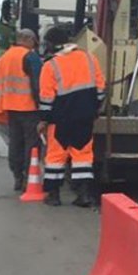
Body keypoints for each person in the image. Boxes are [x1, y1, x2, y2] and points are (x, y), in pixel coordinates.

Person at [37, 25, 106, 207]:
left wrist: (43, 120)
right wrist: (95, 109)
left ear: (52, 45)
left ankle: (53, 195)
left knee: (55, 158)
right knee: (83, 156)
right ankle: (83, 195)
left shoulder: (50, 66)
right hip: (85, 118)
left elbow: (46, 98)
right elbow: (101, 90)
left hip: (59, 120)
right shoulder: (90, 59)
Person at [0, 29, 42, 192]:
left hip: (9, 106)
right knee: (31, 144)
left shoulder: (4, 57)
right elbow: (38, 84)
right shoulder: (30, 57)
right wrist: (43, 106)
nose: (35, 45)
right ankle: (29, 177)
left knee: (15, 142)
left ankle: (17, 176)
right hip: (28, 107)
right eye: (35, 41)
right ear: (28, 40)